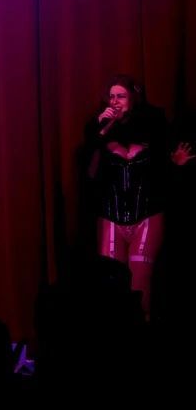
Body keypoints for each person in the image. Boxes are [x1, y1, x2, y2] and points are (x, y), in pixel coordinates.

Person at [83, 74, 188, 319]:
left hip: (147, 215)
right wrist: (100, 129)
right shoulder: (100, 130)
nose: (116, 101)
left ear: (132, 98)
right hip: (111, 215)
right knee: (109, 285)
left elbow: (163, 166)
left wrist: (176, 165)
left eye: (121, 96)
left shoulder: (152, 123)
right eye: (111, 97)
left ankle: (140, 340)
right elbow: (89, 171)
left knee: (139, 283)